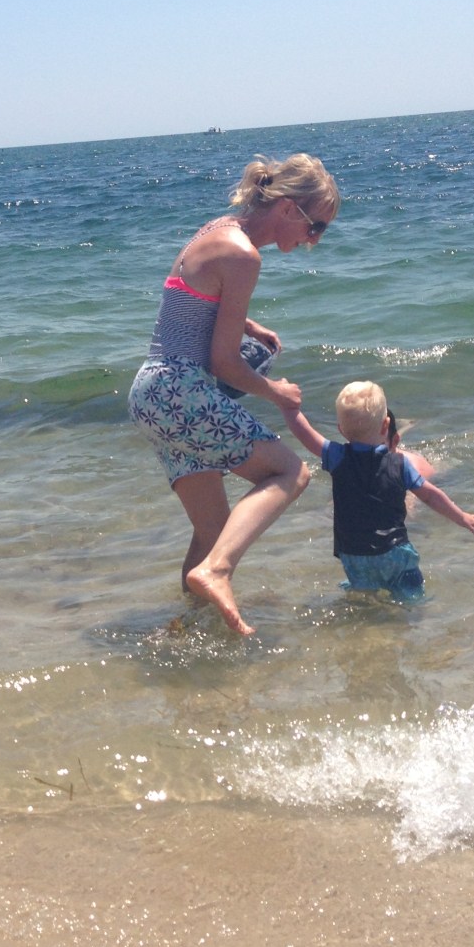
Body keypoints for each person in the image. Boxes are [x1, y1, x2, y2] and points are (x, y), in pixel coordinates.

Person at [128, 154, 341, 636]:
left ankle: (186, 632)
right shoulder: (244, 255)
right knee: (290, 472)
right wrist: (276, 392)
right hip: (180, 390)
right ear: (287, 208)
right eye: (315, 226)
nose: (314, 240)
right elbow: (224, 363)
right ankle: (217, 572)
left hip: (152, 393)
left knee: (213, 530)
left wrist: (247, 324)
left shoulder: (217, 230)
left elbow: (189, 298)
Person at [283, 381, 474, 600]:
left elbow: (304, 433)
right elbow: (430, 495)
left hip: (352, 554)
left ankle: (362, 595)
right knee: (410, 592)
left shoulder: (336, 457)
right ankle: (412, 611)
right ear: (386, 425)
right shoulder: (400, 463)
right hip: (393, 552)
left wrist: (288, 407)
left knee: (365, 593)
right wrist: (461, 516)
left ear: (341, 430)